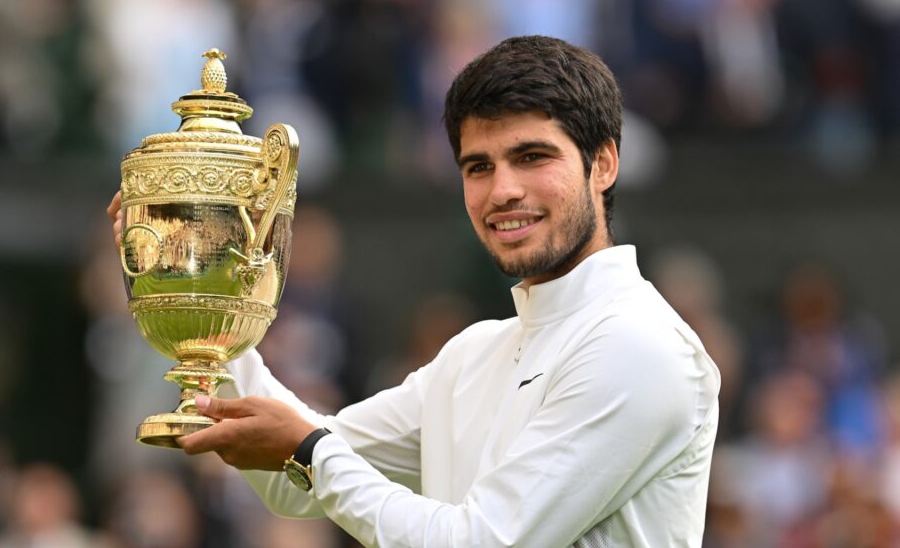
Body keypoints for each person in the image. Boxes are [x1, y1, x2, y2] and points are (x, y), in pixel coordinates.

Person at [106, 35, 720, 547]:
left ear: (604, 164)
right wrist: (202, 281)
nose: (502, 189)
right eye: (478, 166)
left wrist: (309, 450)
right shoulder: (475, 353)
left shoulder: (640, 345)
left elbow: (477, 541)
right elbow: (293, 479)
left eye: (532, 157)